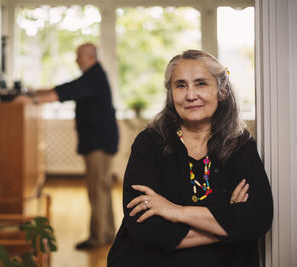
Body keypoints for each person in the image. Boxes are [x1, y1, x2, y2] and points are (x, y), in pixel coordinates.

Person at [107, 49, 273, 266]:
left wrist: (176, 211)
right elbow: (143, 226)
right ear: (171, 93)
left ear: (221, 91)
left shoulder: (239, 144)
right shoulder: (149, 142)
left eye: (201, 83)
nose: (191, 95)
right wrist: (227, 223)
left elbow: (258, 218)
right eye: (181, 85)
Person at [16, 43, 119, 250]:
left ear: (90, 57)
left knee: (96, 190)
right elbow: (64, 88)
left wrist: (30, 101)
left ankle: (98, 237)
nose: (76, 60)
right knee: (103, 188)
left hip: (98, 142)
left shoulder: (94, 77)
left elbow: (62, 94)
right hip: (100, 139)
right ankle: (107, 234)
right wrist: (33, 92)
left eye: (79, 56)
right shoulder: (93, 75)